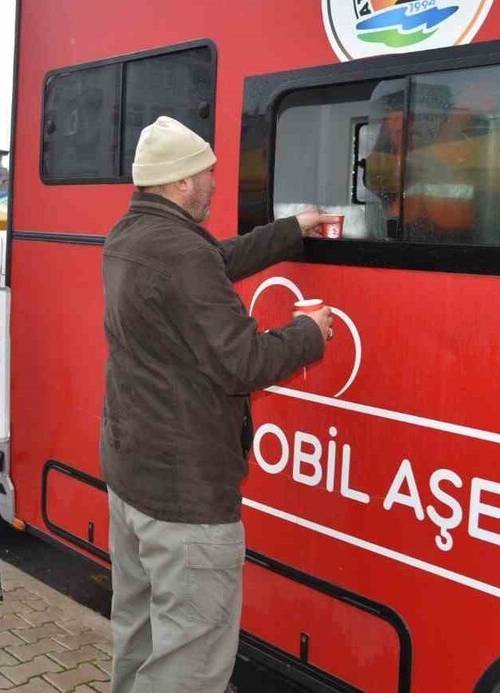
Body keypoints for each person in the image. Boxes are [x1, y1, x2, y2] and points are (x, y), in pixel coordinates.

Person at [101, 116, 336, 693]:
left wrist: (291, 230)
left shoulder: (129, 236)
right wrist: (309, 334)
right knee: (189, 667)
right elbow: (244, 363)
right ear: (183, 182)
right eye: (207, 172)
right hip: (185, 499)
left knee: (139, 640)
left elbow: (212, 262)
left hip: (132, 480)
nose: (213, 181)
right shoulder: (180, 254)